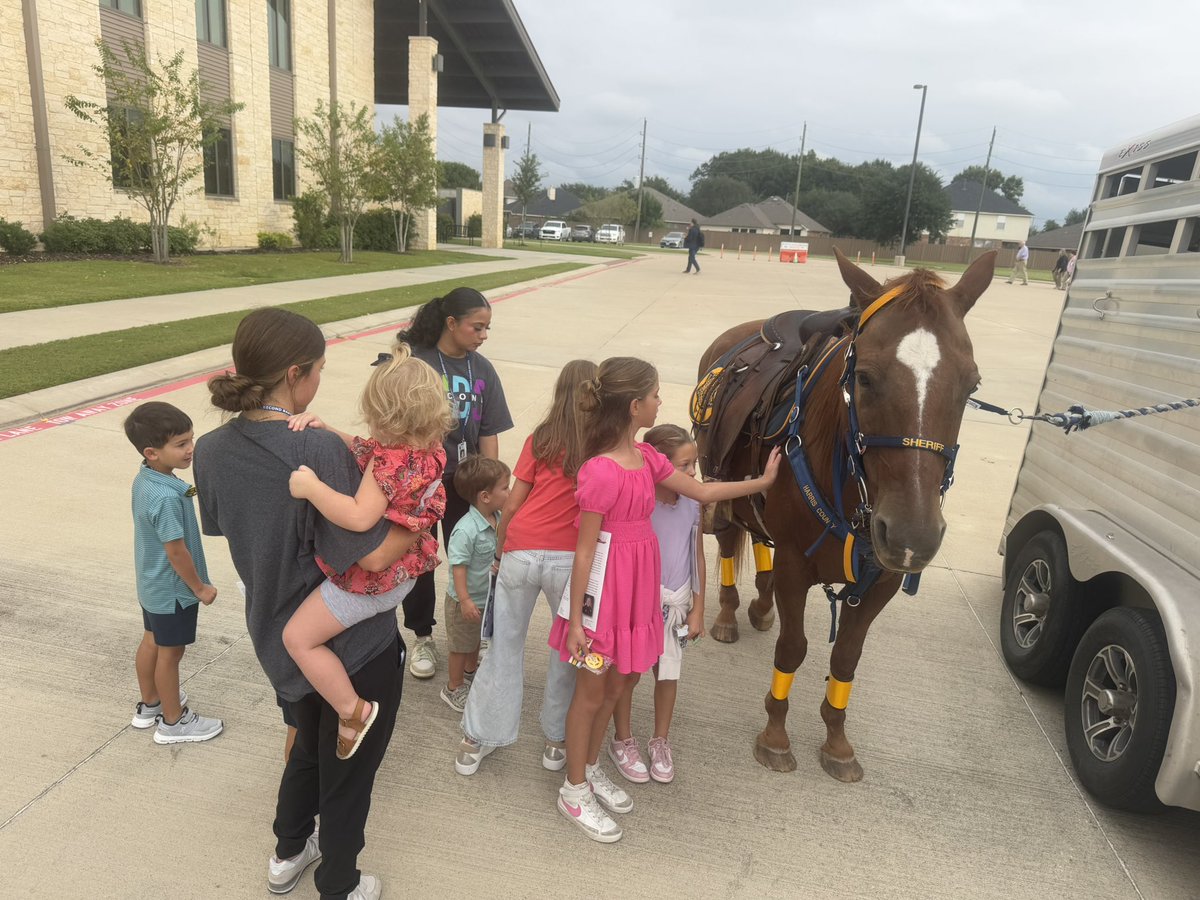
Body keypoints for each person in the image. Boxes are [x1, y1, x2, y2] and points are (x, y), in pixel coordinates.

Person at [195, 307, 424, 900]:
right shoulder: (318, 449)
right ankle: (340, 884)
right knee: (349, 773)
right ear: (295, 374)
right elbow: (369, 557)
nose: (321, 380)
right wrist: (421, 528)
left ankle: (288, 851)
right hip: (354, 644)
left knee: (304, 748)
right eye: (319, 369)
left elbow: (226, 525)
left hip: (277, 635)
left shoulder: (210, 450)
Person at [550, 357, 781, 843]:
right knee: (591, 693)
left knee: (619, 683)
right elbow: (585, 550)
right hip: (605, 597)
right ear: (634, 406)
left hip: (639, 592)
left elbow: (701, 491)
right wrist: (577, 622)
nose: (661, 401)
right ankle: (573, 790)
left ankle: (589, 767)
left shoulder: (647, 458)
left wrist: (761, 483)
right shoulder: (600, 471)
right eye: (655, 395)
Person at [282, 341, 453, 760]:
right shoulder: (429, 449)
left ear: (385, 414)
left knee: (298, 639)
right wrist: (331, 431)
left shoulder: (389, 462)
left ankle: (352, 711)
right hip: (406, 571)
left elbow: (359, 517)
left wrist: (312, 488)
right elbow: (371, 450)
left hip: (374, 581)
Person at [455, 359, 598, 777]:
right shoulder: (601, 443)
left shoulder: (542, 438)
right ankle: (556, 739)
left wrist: (501, 553)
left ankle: (477, 738)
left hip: (522, 550)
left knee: (504, 646)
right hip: (570, 558)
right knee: (565, 650)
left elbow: (514, 504)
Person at [398, 287, 514, 681]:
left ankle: (474, 636)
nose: (483, 335)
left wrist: (491, 484)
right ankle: (423, 636)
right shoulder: (417, 364)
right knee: (420, 559)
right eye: (476, 327)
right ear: (451, 323)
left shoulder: (482, 369)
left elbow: (489, 430)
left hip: (465, 483)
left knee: (476, 557)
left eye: (487, 328)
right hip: (422, 481)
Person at [607, 424, 704, 785]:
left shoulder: (692, 502)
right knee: (628, 674)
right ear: (660, 465)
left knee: (668, 674)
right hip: (639, 603)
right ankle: (622, 739)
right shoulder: (640, 503)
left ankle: (660, 740)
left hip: (676, 602)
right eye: (684, 466)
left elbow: (696, 553)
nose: (692, 473)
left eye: (694, 464)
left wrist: (698, 606)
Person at [124, 401, 223, 745]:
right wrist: (199, 588)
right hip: (174, 590)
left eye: (190, 439)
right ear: (152, 452)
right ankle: (173, 722)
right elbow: (176, 551)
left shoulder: (147, 479)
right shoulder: (165, 497)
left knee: (152, 639)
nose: (190, 448)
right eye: (181, 444)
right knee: (171, 653)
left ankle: (150, 704)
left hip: (152, 584)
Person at [440, 455, 512, 712]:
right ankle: (454, 686)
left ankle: (471, 672)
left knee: (475, 641)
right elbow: (458, 567)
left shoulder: (499, 517)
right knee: (460, 647)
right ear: (485, 496)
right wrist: (465, 600)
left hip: (484, 598)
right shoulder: (466, 529)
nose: (510, 492)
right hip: (464, 601)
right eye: (505, 488)